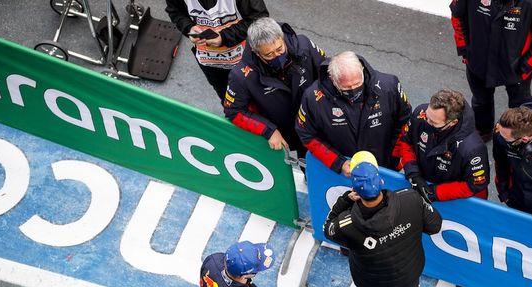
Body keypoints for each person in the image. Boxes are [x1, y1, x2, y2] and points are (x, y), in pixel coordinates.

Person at [323, 153, 443, 287]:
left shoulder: (346, 224)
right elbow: (435, 225)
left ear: (356, 192)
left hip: (372, 282)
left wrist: (344, 201)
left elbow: (327, 228)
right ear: (381, 181)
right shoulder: (410, 199)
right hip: (409, 270)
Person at [449, 0, 532, 142]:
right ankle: (483, 130)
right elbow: (457, 14)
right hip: (479, 62)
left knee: (521, 107)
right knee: (481, 101)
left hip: (516, 69)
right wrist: (465, 49)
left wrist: (526, 65)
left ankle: (519, 137)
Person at [295, 51, 412, 176]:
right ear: (332, 79)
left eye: (357, 84)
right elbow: (306, 133)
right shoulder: (312, 98)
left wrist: (395, 160)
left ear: (362, 70)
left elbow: (405, 122)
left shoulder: (389, 86)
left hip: (384, 168)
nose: (353, 91)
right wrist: (338, 163)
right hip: (343, 171)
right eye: (346, 88)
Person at [224, 17, 326, 158]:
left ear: (282, 38)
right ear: (256, 52)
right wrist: (268, 130)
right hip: (287, 133)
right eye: (269, 54)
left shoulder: (303, 45)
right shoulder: (241, 75)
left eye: (279, 49)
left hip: (319, 122)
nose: (277, 56)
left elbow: (326, 72)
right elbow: (233, 111)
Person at [165, 0, 269, 102]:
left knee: (257, 95)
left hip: (246, 60)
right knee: (228, 99)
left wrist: (224, 37)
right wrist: (189, 28)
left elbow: (259, 18)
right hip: (210, 63)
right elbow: (175, 11)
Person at [399, 89, 489, 203]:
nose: (426, 121)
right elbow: (407, 142)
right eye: (427, 116)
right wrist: (413, 172)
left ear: (453, 122)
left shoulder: (473, 148)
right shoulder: (420, 114)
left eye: (434, 122)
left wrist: (435, 192)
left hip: (453, 199)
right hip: (423, 180)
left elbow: (475, 185)